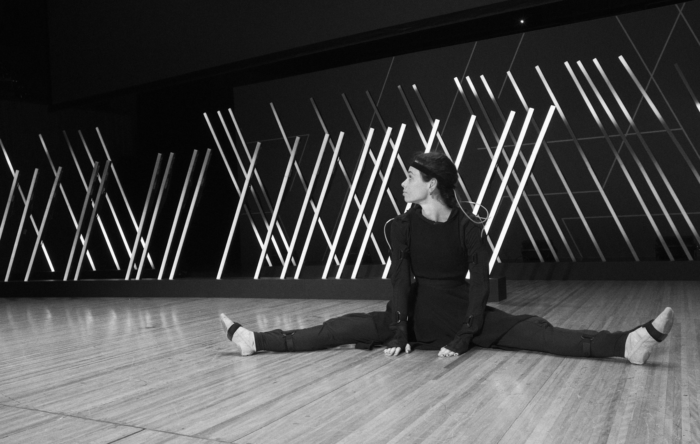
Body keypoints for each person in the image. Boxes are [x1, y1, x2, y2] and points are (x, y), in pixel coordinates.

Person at [220, 152, 674, 365]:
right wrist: (398, 326)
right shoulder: (399, 226)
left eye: (410, 177)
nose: (402, 183)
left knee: (539, 334)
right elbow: (399, 281)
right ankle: (257, 342)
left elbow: (479, 285)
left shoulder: (469, 227)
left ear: (432, 184)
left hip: (464, 313)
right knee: (339, 328)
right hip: (414, 313)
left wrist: (465, 335)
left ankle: (627, 344)